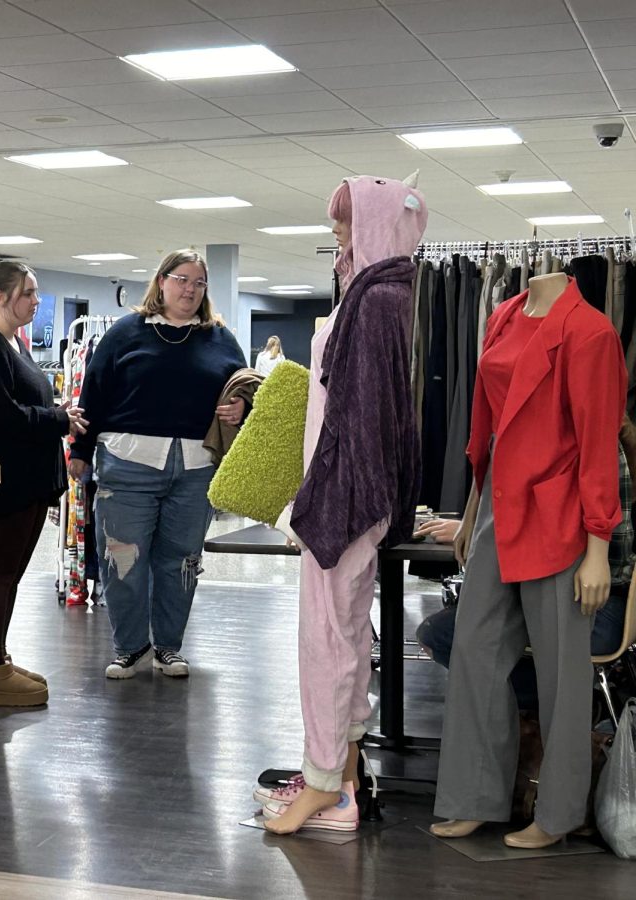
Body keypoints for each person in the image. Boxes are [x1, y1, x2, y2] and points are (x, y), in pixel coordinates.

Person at [431, 268, 627, 850]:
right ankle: (474, 796)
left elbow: (598, 443)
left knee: (562, 672)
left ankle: (558, 813)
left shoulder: (590, 333)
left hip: (559, 512)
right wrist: (470, 512)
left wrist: (597, 545)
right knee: (474, 649)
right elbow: (485, 429)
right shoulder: (503, 317)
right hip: (497, 505)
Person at [259, 174, 428, 836]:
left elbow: (364, 418)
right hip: (351, 495)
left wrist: (331, 502)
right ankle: (343, 777)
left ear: (379, 223)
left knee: (328, 640)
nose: (335, 230)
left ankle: (325, 783)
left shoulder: (379, 300)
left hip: (345, 499)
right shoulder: (382, 293)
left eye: (347, 219)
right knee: (348, 635)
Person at [68, 250, 247, 680]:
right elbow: (92, 394)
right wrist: (80, 451)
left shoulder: (220, 338)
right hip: (127, 462)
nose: (190, 289)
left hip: (196, 466)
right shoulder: (125, 333)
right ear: (161, 281)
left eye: (199, 283)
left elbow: (245, 388)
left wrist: (241, 406)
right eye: (182, 279)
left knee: (180, 561)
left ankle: (168, 647)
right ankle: (130, 647)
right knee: (122, 559)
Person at [415, 440, 633, 713]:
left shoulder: (589, 450)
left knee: (444, 633)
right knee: (459, 624)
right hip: (601, 604)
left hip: (595, 609)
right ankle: (553, 712)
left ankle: (568, 705)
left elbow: (608, 553)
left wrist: (485, 535)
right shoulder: (599, 446)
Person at [0, 261, 87, 707]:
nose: (37, 301)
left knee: (10, 576)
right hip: (8, 482)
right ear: (1, 297)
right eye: (28, 293)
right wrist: (58, 418)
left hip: (29, 480)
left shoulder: (12, 343)